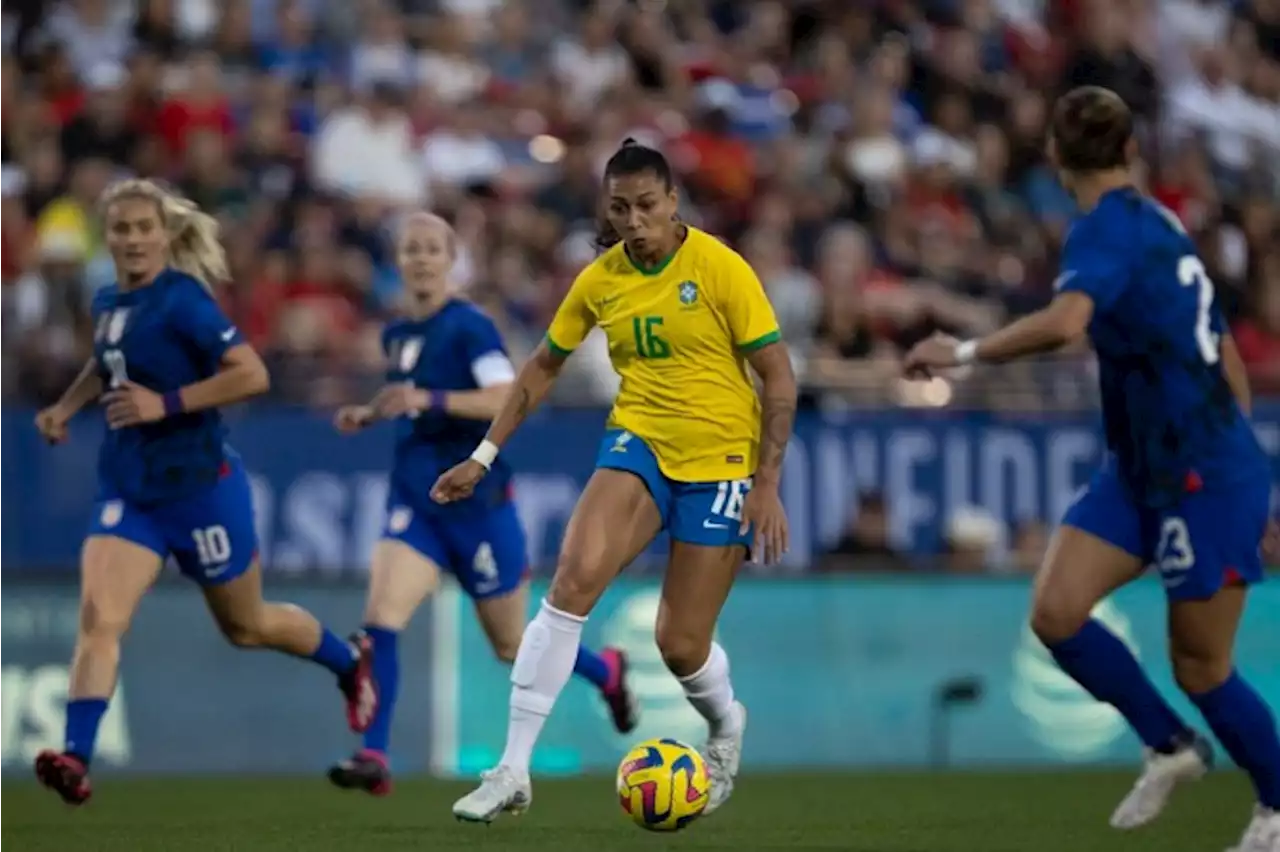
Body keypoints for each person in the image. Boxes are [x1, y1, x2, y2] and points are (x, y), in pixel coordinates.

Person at [905, 86, 1280, 850]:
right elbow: (1224, 351)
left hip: (1203, 475)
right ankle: (1170, 746)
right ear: (1131, 150)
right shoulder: (1158, 224)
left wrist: (965, 352)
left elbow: (1068, 323)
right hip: (1144, 469)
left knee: (1203, 667)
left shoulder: (1103, 231)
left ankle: (1277, 804)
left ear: (1054, 155)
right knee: (1056, 612)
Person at [436, 139, 797, 823]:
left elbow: (777, 374)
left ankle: (725, 726)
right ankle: (513, 768)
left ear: (673, 203)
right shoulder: (601, 279)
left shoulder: (720, 268)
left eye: (647, 207)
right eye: (621, 209)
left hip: (721, 464)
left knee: (680, 645)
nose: (635, 222)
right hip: (639, 445)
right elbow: (542, 366)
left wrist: (767, 481)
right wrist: (482, 456)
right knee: (571, 583)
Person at [31, 179, 377, 805]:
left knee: (246, 626)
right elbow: (107, 363)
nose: (133, 240)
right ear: (106, 237)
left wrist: (163, 404)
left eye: (144, 228)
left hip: (201, 491)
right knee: (100, 620)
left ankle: (349, 661)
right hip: (131, 491)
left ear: (164, 235)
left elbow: (252, 373)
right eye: (122, 229)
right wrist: (66, 406)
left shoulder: (184, 301)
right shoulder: (109, 298)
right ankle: (76, 758)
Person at [325, 212, 638, 796]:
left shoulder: (470, 326)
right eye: (410, 248)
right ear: (398, 262)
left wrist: (428, 396)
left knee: (512, 646)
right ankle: (374, 755)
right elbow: (414, 401)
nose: (420, 258)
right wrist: (371, 413)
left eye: (431, 249)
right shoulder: (398, 333)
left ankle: (607, 671)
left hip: (479, 506)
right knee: (380, 624)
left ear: (451, 259)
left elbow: (502, 397)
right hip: (416, 504)